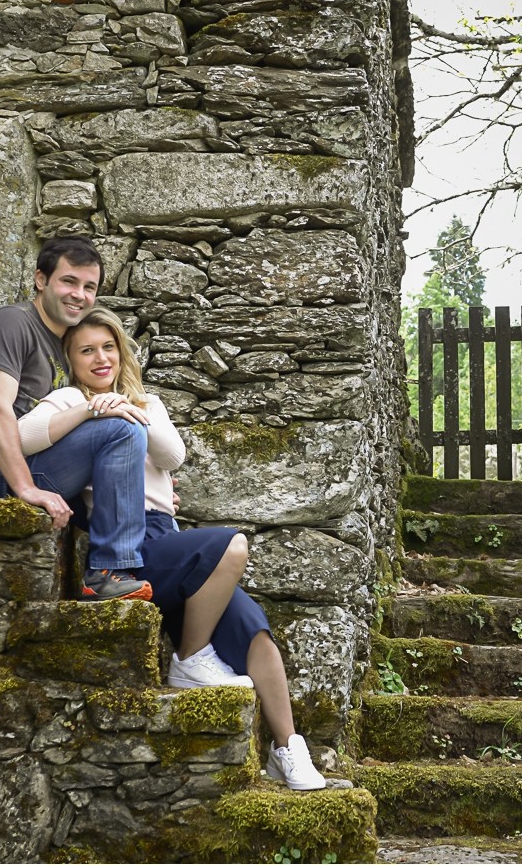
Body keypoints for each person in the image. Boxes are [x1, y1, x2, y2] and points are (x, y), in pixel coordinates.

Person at [17, 307, 330, 791]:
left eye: (108, 347)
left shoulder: (147, 403)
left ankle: (288, 750)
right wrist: (88, 410)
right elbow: (20, 438)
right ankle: (190, 658)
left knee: (256, 635)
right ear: (70, 359)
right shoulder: (65, 399)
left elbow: (172, 455)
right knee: (231, 545)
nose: (100, 358)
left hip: (168, 537)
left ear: (121, 352)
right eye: (86, 351)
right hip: (124, 544)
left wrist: (125, 405)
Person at [0, 237, 153, 602]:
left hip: (48, 464)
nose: (78, 294)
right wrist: (25, 488)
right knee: (121, 428)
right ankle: (107, 571)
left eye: (89, 287)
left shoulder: (67, 345)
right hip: (1, 473)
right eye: (69, 281)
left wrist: (150, 486)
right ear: (40, 280)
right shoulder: (10, 324)